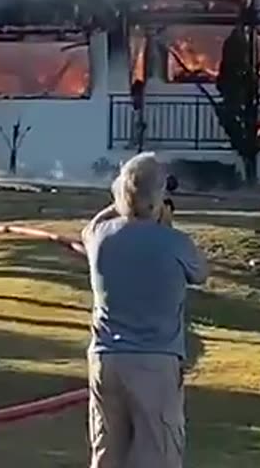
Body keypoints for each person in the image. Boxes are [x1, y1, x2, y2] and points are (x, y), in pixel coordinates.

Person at [81, 153, 207, 468]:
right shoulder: (176, 243)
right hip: (155, 362)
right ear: (159, 197)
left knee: (107, 454)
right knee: (157, 456)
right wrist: (161, 217)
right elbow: (200, 274)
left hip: (106, 359)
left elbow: (90, 227)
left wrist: (125, 201)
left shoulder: (100, 236)